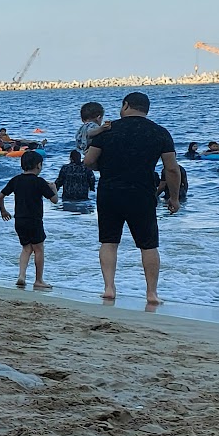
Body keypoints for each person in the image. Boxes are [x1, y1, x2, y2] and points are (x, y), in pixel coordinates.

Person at [83, 92, 180, 307]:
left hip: (109, 192)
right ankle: (151, 293)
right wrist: (173, 198)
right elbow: (171, 169)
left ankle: (109, 288)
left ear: (126, 105)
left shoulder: (107, 130)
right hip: (142, 193)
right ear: (146, 109)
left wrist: (106, 167)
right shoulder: (159, 133)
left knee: (109, 241)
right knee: (148, 245)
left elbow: (88, 161)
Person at [0, 150, 57, 290]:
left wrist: (3, 211)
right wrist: (54, 189)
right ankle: (38, 280)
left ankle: (21, 276)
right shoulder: (39, 182)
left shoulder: (16, 180)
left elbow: (0, 196)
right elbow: (54, 200)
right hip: (34, 220)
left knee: (26, 248)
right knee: (39, 249)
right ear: (38, 166)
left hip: (20, 220)